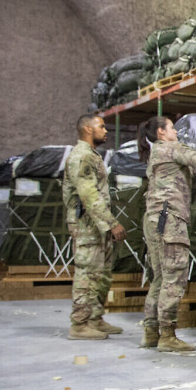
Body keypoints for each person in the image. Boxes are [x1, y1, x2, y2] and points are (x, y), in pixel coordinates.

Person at [137, 116, 196, 353]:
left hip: (156, 219)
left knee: (160, 277)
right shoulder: (170, 148)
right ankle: (167, 335)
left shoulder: (159, 153)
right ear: (161, 132)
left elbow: (192, 169)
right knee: (174, 277)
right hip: (169, 220)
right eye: (172, 128)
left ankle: (151, 332)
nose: (177, 133)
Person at [63, 114, 127, 340]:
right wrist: (112, 223)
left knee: (100, 274)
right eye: (101, 126)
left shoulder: (92, 155)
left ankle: (94, 318)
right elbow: (88, 195)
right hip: (87, 225)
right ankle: (79, 324)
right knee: (87, 274)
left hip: (96, 226)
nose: (106, 130)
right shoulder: (81, 157)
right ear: (88, 129)